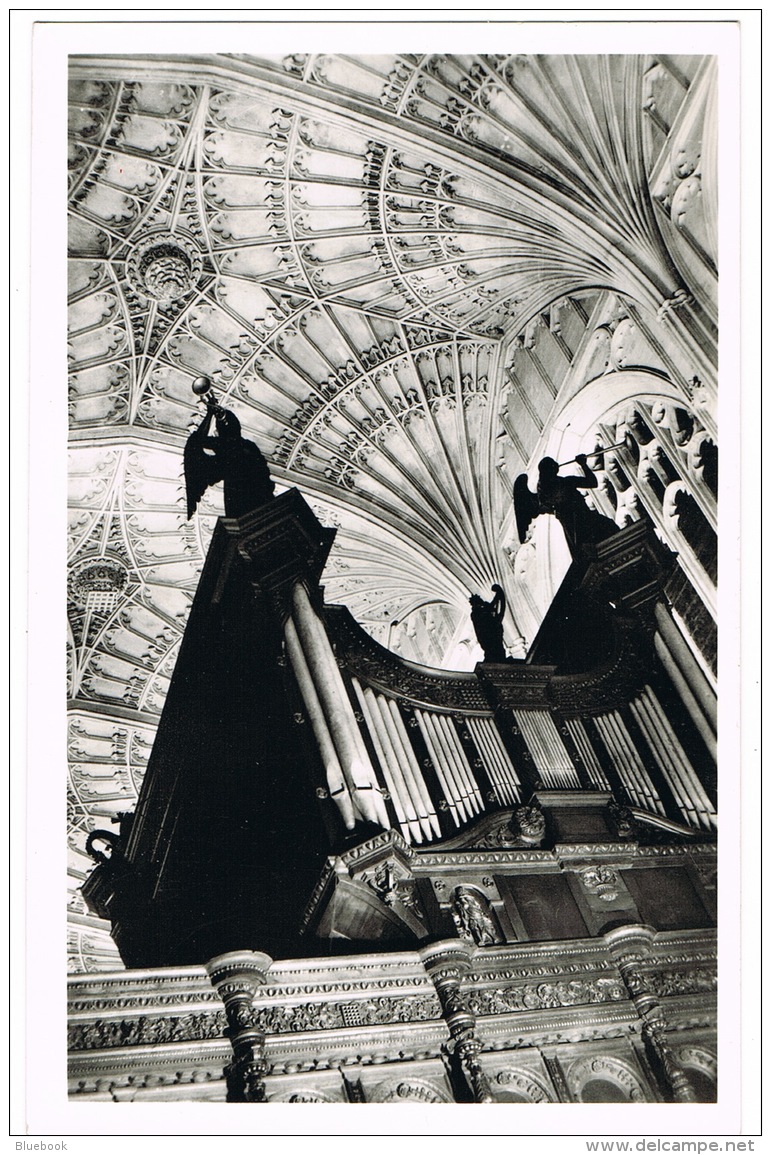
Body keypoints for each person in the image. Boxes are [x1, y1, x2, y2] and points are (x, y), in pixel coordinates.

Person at [184, 397, 275, 519]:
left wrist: (213, 414)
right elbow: (196, 443)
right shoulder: (227, 448)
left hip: (260, 497)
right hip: (241, 504)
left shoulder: (244, 446)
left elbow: (197, 442)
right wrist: (210, 414)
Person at [514, 454, 619, 558]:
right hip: (582, 520)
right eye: (553, 465)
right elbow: (592, 482)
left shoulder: (544, 494)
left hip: (573, 526)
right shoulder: (567, 482)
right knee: (608, 529)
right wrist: (583, 465)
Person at [469, 583, 507, 663]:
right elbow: (490, 609)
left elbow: (492, 605)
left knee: (497, 647)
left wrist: (498, 595)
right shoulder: (476, 613)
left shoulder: (483, 609)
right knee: (494, 648)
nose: (481, 600)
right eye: (479, 600)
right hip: (487, 635)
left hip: (491, 633)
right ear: (476, 603)